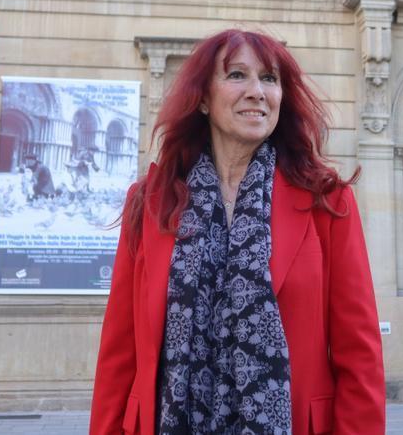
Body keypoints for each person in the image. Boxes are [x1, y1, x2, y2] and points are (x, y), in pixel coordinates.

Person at [90, 29, 385, 435]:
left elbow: (360, 353)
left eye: (269, 78)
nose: (257, 91)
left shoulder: (326, 201)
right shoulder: (151, 203)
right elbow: (118, 354)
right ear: (204, 100)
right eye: (236, 75)